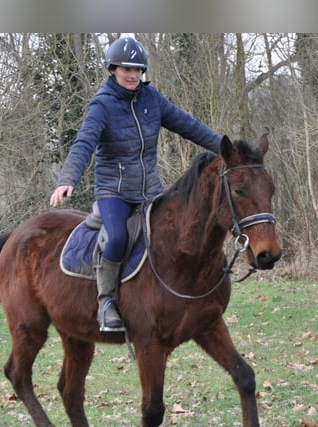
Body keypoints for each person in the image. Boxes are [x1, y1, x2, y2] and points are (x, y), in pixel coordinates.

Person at [50, 37, 222, 332]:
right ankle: (107, 303)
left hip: (151, 191)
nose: (132, 75)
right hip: (113, 192)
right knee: (117, 237)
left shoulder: (152, 100)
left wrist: (229, 150)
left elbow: (190, 126)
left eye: (138, 69)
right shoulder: (102, 105)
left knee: (176, 232)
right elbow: (84, 143)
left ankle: (169, 298)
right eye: (126, 69)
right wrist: (68, 178)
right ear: (113, 69)